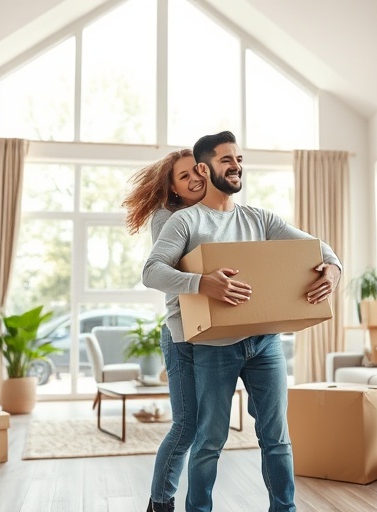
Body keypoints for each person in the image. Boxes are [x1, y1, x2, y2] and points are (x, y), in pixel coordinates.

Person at [142, 131, 341, 512]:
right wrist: (203, 283)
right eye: (225, 160)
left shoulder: (260, 218)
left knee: (277, 438)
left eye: (239, 159)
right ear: (205, 168)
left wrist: (333, 268)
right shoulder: (183, 221)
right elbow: (152, 272)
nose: (235, 167)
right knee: (208, 439)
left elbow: (315, 247)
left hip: (266, 343)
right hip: (211, 346)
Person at [123, 149, 206, 512]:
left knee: (204, 427)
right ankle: (159, 503)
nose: (194, 180)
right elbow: (161, 276)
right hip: (181, 333)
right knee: (186, 426)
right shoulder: (167, 217)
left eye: (196, 172)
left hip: (209, 333)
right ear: (172, 188)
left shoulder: (214, 212)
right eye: (183, 176)